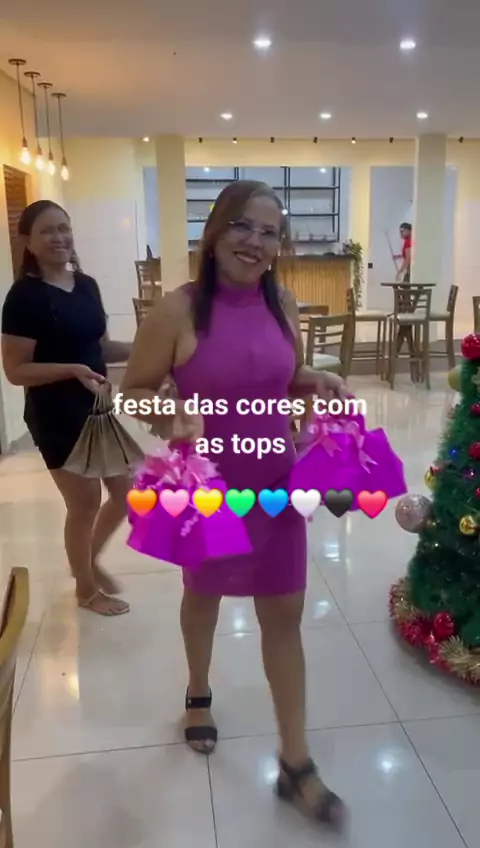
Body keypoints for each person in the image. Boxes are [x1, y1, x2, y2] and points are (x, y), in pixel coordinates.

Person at [120, 181, 347, 826]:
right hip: (210, 487)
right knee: (204, 595)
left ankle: (296, 763)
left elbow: (280, 378)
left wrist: (314, 378)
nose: (255, 241)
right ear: (215, 232)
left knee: (285, 616)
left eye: (269, 232)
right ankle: (198, 690)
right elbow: (133, 391)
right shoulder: (178, 310)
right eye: (243, 226)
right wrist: (171, 414)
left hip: (275, 483)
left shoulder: (283, 303)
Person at [1, 200, 131, 616]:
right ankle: (86, 590)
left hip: (96, 409)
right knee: (85, 502)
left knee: (126, 495)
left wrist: (149, 348)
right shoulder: (24, 297)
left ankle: (85, 563)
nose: (59, 237)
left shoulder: (86, 285)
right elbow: (15, 371)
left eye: (64, 228)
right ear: (28, 242)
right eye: (47, 231)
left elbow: (101, 347)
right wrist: (72, 369)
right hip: (55, 414)